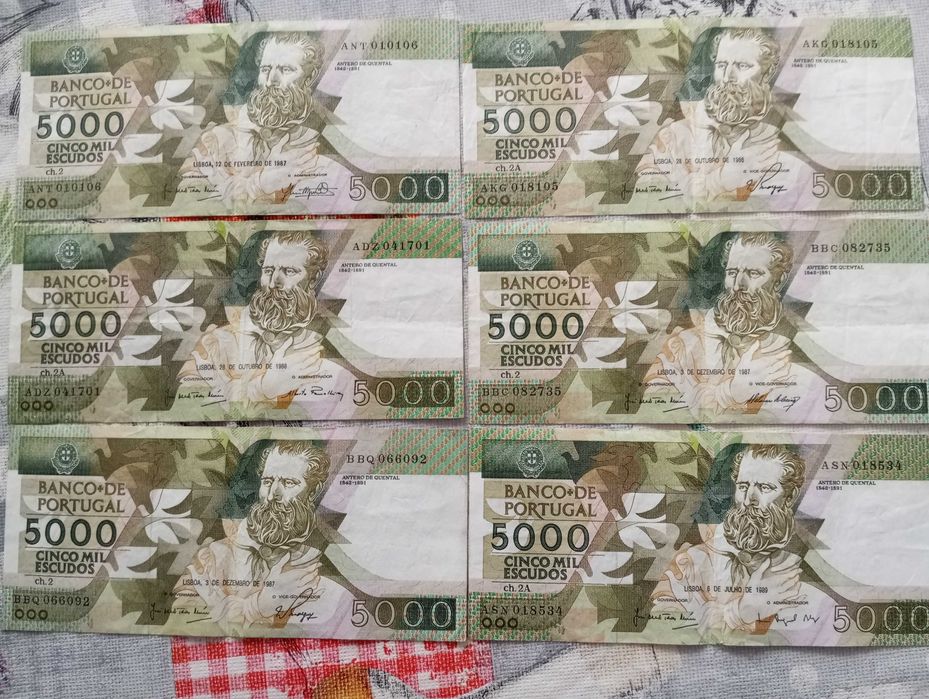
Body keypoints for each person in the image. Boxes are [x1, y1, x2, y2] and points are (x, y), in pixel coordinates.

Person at [173, 441, 330, 632]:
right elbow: (180, 621)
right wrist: (256, 607)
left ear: (313, 491)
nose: (272, 495)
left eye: (289, 483)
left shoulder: (318, 564)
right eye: (268, 482)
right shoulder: (211, 557)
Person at [651, 444, 806, 634]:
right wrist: (739, 613)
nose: (749, 500)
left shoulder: (797, 568)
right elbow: (661, 628)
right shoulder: (689, 563)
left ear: (790, 497)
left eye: (764, 487)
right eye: (743, 487)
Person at [644, 231, 793, 414]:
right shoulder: (681, 346)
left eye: (753, 273)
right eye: (732, 272)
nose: (738, 285)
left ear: (778, 281)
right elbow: (652, 408)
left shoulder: (787, 349)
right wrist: (729, 393)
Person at [179, 231, 328, 406]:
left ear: (313, 279)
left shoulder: (320, 345)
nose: (273, 283)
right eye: (268, 271)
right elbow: (186, 403)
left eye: (289, 271)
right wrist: (262, 388)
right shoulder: (215, 343)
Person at [635, 27, 781, 201]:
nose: (727, 77)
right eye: (721, 65)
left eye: (742, 66)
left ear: (767, 73)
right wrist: (720, 180)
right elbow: (647, 197)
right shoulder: (673, 136)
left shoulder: (770, 142)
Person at [181, 32, 324, 206]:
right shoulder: (216, 139)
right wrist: (260, 184)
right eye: (265, 69)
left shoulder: (314, 147)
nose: (271, 81)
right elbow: (186, 202)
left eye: (286, 70)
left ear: (310, 76)